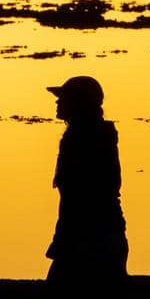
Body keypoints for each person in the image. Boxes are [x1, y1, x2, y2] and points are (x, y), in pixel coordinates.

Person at [45, 75, 128, 285]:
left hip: (88, 236)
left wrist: (66, 239)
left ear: (77, 103)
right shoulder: (93, 133)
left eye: (63, 98)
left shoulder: (83, 137)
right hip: (98, 232)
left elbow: (80, 197)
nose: (57, 102)